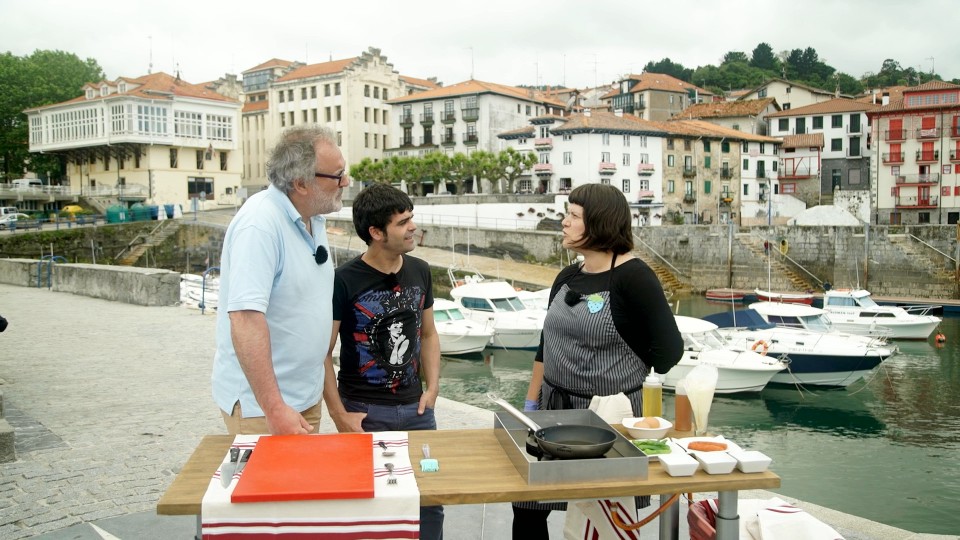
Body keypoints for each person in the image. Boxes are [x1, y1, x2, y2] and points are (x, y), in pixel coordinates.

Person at [513, 183, 684, 538]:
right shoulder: (567, 277)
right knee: (527, 505)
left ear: (600, 223)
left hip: (607, 419)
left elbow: (669, 353)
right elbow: (547, 344)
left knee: (602, 517)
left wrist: (626, 356)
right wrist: (531, 403)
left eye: (574, 216)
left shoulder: (635, 278)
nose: (564, 222)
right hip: (554, 412)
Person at [323, 183, 443, 540]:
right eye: (402, 222)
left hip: (418, 411)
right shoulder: (343, 281)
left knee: (429, 501)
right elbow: (321, 354)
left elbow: (429, 334)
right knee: (368, 504)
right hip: (363, 411)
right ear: (376, 233)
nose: (412, 228)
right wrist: (339, 415)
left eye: (412, 218)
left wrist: (432, 388)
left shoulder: (420, 270)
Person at [212, 125, 349, 435]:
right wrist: (273, 408)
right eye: (338, 175)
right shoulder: (259, 225)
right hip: (266, 410)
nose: (346, 182)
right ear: (300, 183)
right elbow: (245, 320)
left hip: (305, 399)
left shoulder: (313, 216)